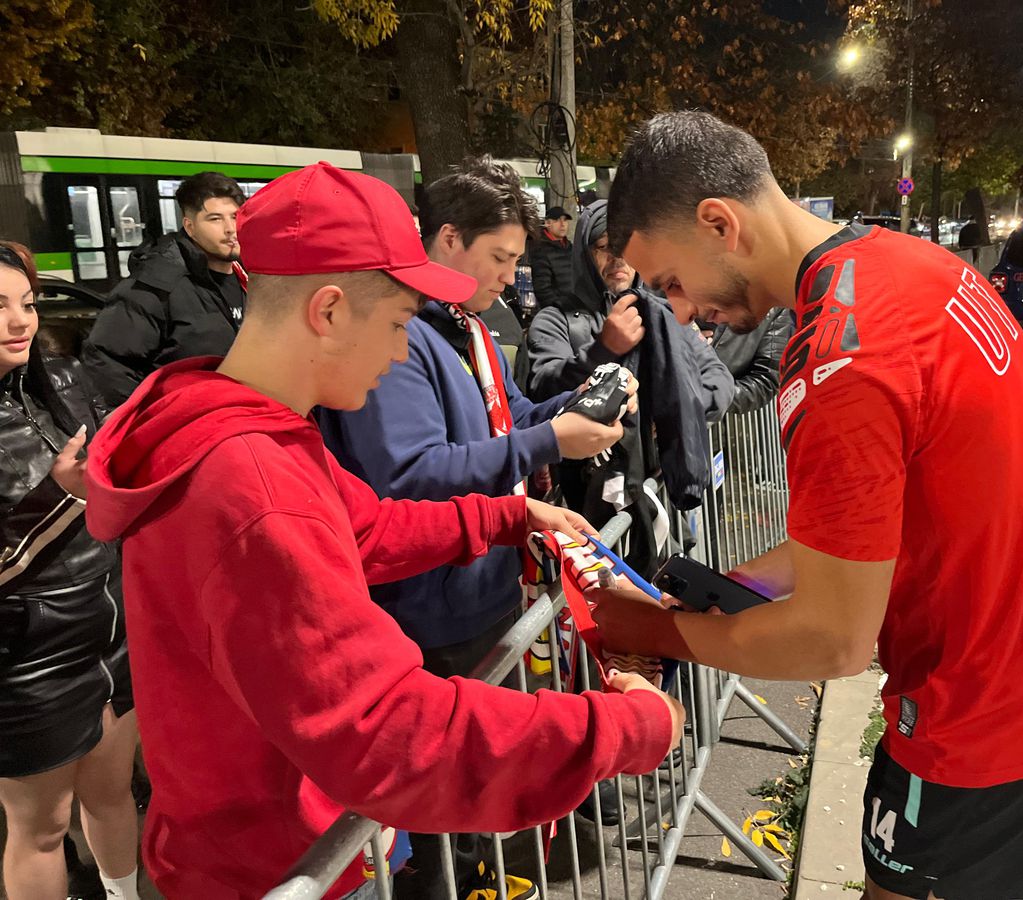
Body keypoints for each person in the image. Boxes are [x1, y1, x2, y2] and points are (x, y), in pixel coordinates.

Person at [83, 162, 683, 900]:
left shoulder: (250, 428)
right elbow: (387, 730)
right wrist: (618, 729)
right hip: (278, 865)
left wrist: (503, 515)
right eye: (398, 323)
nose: (403, 352)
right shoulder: (251, 483)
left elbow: (362, 528)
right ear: (329, 310)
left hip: (277, 843)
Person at [589, 111, 1023, 900]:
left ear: (718, 223)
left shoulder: (842, 359)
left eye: (671, 281)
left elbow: (832, 641)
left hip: (979, 713)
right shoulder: (909, 264)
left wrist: (649, 629)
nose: (680, 310)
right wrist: (723, 584)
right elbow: (867, 538)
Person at [317, 158, 631, 895]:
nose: (508, 278)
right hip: (427, 606)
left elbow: (508, 419)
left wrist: (574, 411)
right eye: (500, 258)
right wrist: (551, 443)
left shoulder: (471, 330)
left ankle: (479, 872)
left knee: (476, 783)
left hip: (482, 587)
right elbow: (413, 475)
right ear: (448, 239)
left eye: (518, 261)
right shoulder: (401, 343)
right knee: (440, 797)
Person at [0, 242, 140, 900]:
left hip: (109, 632)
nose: (18, 321)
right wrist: (63, 497)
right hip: (26, 662)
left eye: (25, 304)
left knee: (113, 794)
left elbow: (114, 450)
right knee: (42, 827)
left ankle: (124, 893)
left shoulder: (58, 379)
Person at [525, 199, 734, 573]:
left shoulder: (664, 315)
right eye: (605, 246)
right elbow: (542, 387)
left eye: (627, 248)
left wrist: (671, 408)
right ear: (585, 253)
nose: (618, 259)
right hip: (581, 501)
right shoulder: (555, 319)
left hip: (657, 494)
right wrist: (603, 349)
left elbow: (718, 380)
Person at [81, 171, 246, 407]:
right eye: (215, 219)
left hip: (246, 424)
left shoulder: (255, 279)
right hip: (190, 431)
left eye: (235, 216)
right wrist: (156, 425)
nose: (231, 228)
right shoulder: (155, 286)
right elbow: (107, 365)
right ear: (189, 227)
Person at [699, 307, 793, 414]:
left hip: (706, 418)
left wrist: (714, 395)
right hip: (678, 386)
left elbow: (765, 381)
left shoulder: (776, 308)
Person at [529, 205, 573, 311]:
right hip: (559, 312)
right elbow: (542, 289)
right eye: (557, 220)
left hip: (575, 308)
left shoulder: (571, 248)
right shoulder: (540, 250)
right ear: (548, 223)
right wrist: (559, 309)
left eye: (565, 220)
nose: (562, 224)